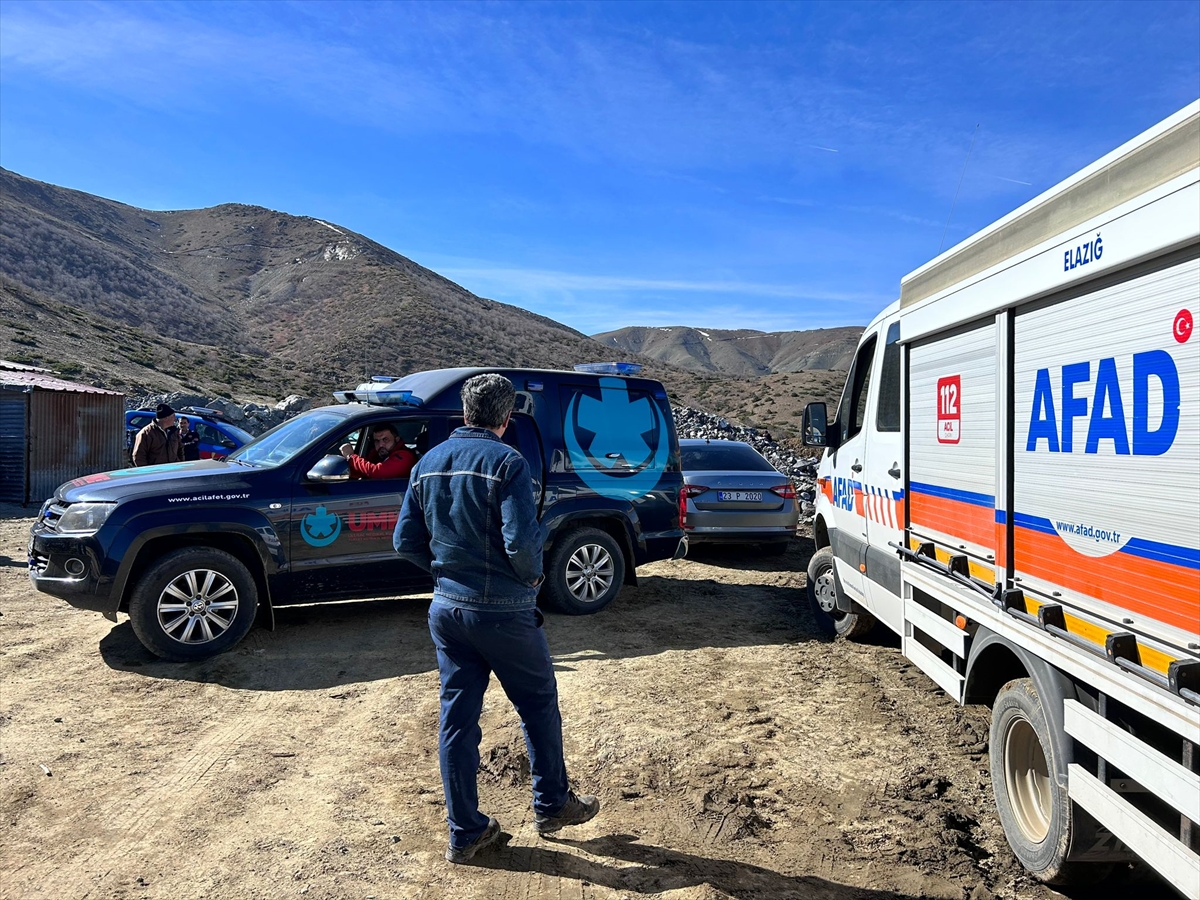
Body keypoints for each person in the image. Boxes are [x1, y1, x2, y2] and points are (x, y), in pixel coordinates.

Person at [394, 374, 599, 864]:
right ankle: (551, 805)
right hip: (503, 611)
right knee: (537, 703)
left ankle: (465, 832)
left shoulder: (426, 463)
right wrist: (531, 581)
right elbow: (520, 544)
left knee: (457, 721)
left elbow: (405, 540)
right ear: (506, 419)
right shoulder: (508, 462)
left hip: (447, 610)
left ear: (465, 414)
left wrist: (446, 573)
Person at [339, 423, 416, 479]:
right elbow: (362, 471)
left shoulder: (405, 457)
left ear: (397, 440)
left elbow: (377, 472)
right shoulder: (377, 455)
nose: (381, 444)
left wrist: (351, 457)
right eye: (377, 441)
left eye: (385, 440)